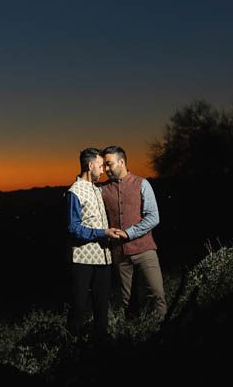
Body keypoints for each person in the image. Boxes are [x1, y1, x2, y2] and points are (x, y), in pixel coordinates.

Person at [99, 145, 167, 319]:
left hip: (145, 250)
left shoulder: (142, 184)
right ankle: (133, 339)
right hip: (120, 255)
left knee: (157, 295)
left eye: (109, 164)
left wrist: (129, 233)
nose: (106, 169)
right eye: (104, 165)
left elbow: (153, 217)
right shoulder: (102, 190)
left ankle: (164, 334)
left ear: (121, 162)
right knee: (127, 302)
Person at [67, 147, 124, 339]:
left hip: (104, 259)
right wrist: (103, 233)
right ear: (90, 165)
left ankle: (100, 347)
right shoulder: (75, 191)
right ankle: (71, 349)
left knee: (102, 306)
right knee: (79, 307)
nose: (102, 170)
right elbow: (73, 228)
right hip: (83, 260)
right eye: (100, 166)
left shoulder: (97, 189)